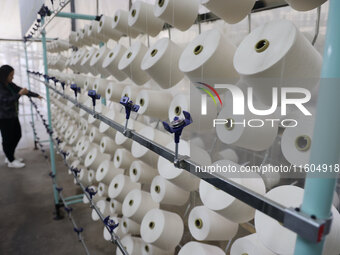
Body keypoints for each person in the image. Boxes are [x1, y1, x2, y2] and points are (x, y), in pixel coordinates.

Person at [0, 65, 42, 168]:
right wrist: (19, 94)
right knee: (7, 139)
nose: (12, 77)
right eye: (11, 75)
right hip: (4, 117)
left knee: (17, 135)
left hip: (12, 115)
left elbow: (23, 90)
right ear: (4, 75)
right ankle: (10, 160)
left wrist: (36, 95)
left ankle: (10, 156)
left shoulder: (9, 84)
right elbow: (6, 101)